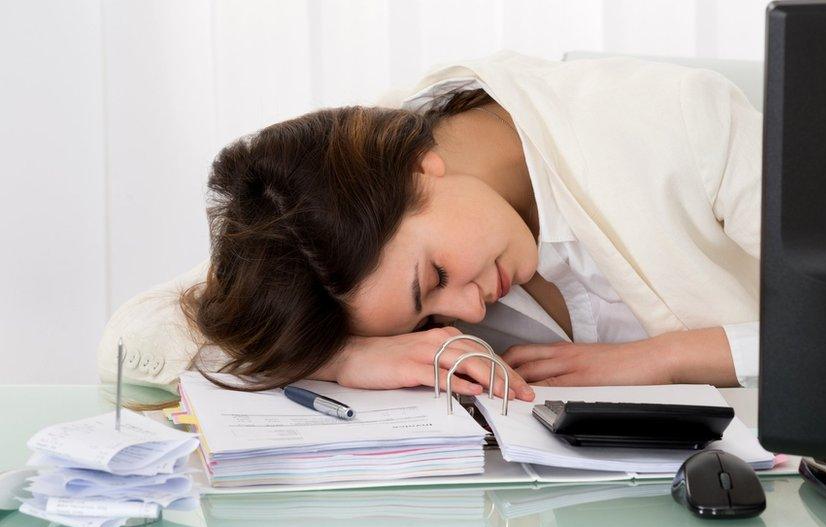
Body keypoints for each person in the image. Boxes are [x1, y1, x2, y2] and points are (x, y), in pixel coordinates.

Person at [96, 51, 761, 402]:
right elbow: (135, 335)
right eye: (425, 317)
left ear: (420, 167)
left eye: (435, 277)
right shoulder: (340, 220)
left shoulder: (678, 120)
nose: (469, 307)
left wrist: (665, 356)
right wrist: (348, 355)